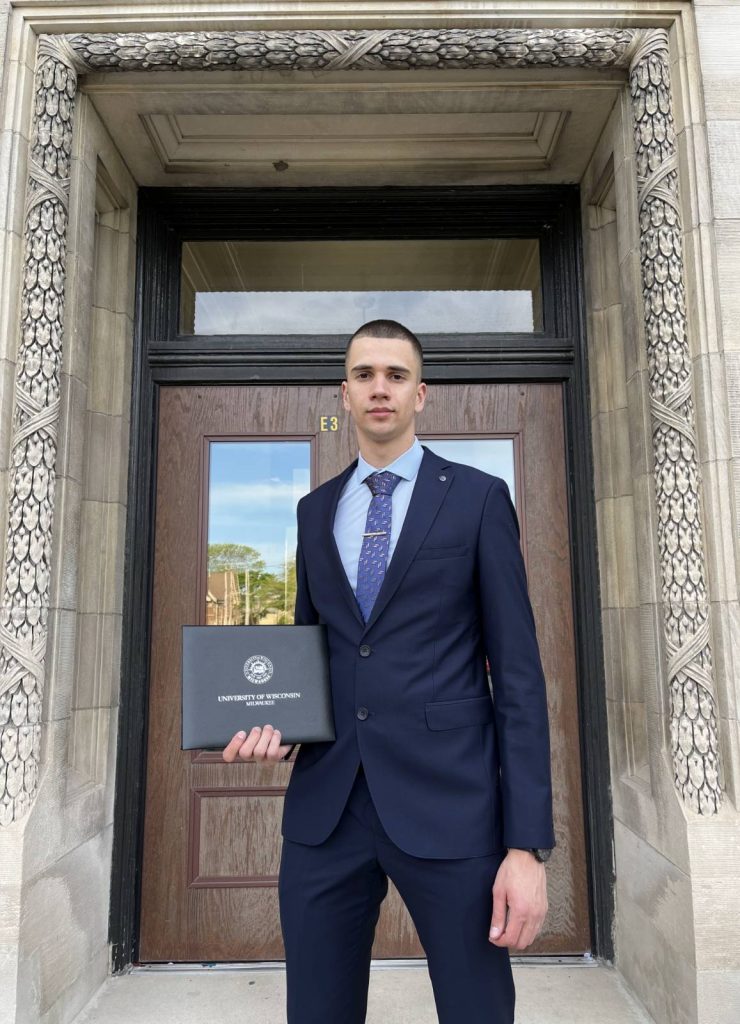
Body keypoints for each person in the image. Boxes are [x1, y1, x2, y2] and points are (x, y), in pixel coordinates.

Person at [223, 319, 555, 1024]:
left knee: (476, 1010)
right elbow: (311, 654)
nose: (381, 388)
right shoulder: (315, 511)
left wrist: (526, 846)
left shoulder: (477, 498)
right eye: (365, 375)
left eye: (396, 376)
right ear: (343, 393)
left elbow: (519, 679)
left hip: (452, 808)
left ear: (420, 394)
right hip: (328, 811)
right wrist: (276, 725)